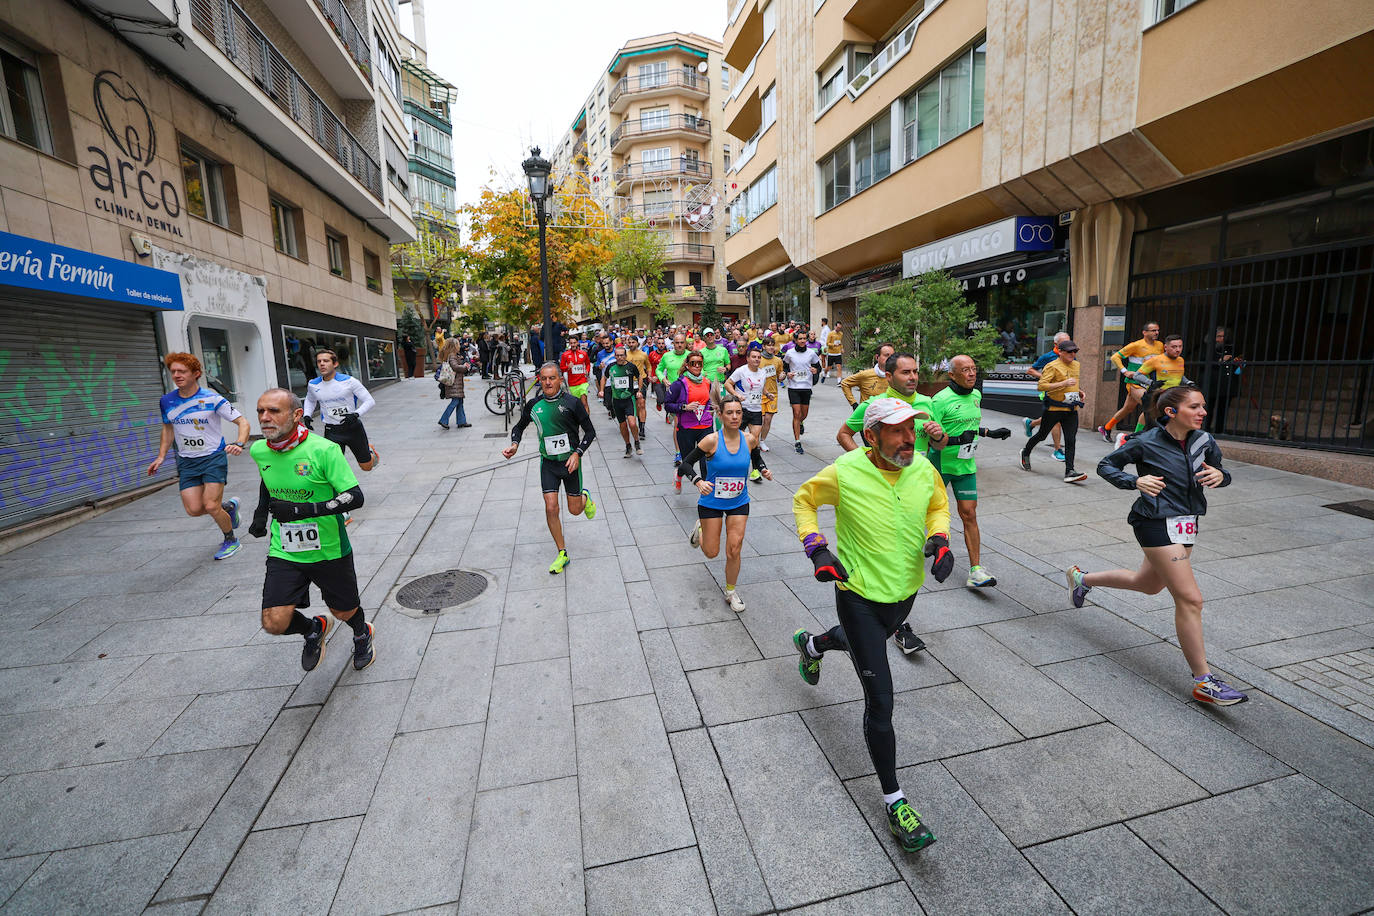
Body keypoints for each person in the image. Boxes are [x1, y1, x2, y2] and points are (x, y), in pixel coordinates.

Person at [791, 398, 952, 853]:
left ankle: (814, 645)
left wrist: (939, 538)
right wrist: (817, 548)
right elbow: (804, 500)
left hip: (904, 592)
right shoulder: (845, 471)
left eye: (912, 430)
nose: (909, 439)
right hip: (858, 594)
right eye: (898, 431)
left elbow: (939, 505)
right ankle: (895, 802)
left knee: (870, 646)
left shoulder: (923, 468)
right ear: (871, 436)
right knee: (880, 701)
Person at [1068, 385, 1246, 706]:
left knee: (1147, 585)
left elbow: (1222, 470)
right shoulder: (1145, 442)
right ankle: (1204, 681)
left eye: (1203, 406)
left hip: (1186, 522)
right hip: (1154, 522)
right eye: (1195, 407)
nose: (1203, 412)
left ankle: (1082, 579)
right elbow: (1106, 466)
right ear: (1171, 412)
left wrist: (1221, 475)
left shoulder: (1205, 441)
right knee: (1190, 599)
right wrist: (1134, 481)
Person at [248, 388, 373, 672]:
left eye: (274, 411)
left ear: (295, 415)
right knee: (273, 622)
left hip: (328, 548)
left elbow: (355, 497)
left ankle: (361, 631)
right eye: (260, 411)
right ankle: (313, 629)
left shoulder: (323, 450)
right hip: (285, 549)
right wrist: (260, 513)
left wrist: (302, 511)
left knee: (343, 610)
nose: (265, 418)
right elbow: (269, 478)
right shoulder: (258, 449)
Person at [837, 352, 948, 655]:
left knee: (910, 557)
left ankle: (825, 641)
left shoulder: (926, 404)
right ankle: (898, 627)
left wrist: (939, 436)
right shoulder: (873, 406)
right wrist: (866, 463)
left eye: (915, 371)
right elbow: (844, 434)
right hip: (884, 492)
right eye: (905, 373)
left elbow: (940, 444)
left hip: (919, 488)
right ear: (889, 377)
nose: (913, 377)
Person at [148, 352, 251, 560]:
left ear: (196, 374)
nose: (176, 375)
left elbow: (243, 422)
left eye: (182, 371)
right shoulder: (167, 401)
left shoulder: (212, 398)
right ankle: (228, 507)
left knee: (210, 505)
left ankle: (231, 540)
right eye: (173, 371)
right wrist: (161, 456)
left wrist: (239, 443)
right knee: (194, 509)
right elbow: (168, 429)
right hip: (187, 461)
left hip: (213, 457)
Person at [678, 395, 773, 612]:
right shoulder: (711, 440)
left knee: (734, 548)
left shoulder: (749, 439)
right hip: (711, 501)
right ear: (720, 415)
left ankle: (731, 592)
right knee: (711, 552)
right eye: (729, 412)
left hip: (739, 501)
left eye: (738, 412)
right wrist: (698, 481)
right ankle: (700, 530)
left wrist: (763, 468)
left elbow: (755, 457)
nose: (734, 416)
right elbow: (685, 464)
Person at [503, 363, 598, 574]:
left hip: (570, 463)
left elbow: (590, 432)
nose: (548, 382)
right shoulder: (534, 405)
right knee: (551, 507)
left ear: (560, 380)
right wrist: (515, 444)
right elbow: (519, 427)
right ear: (539, 380)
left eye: (552, 378)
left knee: (574, 510)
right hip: (548, 464)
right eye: (544, 378)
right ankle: (562, 552)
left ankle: (585, 497)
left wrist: (577, 453)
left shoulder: (572, 403)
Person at [928, 356, 1011, 588]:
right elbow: (931, 441)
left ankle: (976, 571)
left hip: (965, 466)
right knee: (924, 509)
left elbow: (968, 425)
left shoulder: (976, 395)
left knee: (969, 514)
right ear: (952, 375)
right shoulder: (940, 401)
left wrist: (988, 432)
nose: (972, 374)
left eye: (974, 369)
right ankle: (920, 544)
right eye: (965, 370)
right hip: (940, 465)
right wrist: (955, 439)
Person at [1021, 339, 1087, 483]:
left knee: (1071, 440)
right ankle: (1025, 452)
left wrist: (1080, 392)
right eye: (1069, 351)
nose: (1073, 354)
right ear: (1061, 352)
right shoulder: (1052, 366)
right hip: (1054, 408)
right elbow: (1042, 386)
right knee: (1042, 435)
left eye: (1075, 351)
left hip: (1071, 408)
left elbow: (1073, 384)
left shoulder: (1076, 365)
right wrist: (1063, 383)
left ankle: (1070, 471)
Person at [303, 349, 380, 472]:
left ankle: (369, 451)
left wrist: (356, 414)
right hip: (331, 430)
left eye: (326, 361)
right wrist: (307, 415)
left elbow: (369, 401)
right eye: (319, 361)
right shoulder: (313, 384)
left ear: (335, 364)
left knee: (366, 467)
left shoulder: (349, 381)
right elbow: (310, 400)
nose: (322, 364)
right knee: (332, 467)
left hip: (353, 428)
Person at [1100, 321, 1163, 440]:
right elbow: (1115, 357)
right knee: (1149, 405)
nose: (1156, 332)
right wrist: (1125, 371)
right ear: (1144, 332)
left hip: (1150, 383)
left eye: (1157, 330)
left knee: (1128, 408)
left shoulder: (1160, 345)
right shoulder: (1136, 345)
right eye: (1153, 330)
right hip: (1135, 383)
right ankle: (1135, 437)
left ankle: (1106, 427)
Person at [665, 351, 717, 494]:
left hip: (705, 425)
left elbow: (708, 402)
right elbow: (667, 404)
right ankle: (679, 474)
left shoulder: (707, 382)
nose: (697, 366)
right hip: (687, 427)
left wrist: (713, 406)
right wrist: (684, 407)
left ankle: (707, 495)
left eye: (700, 363)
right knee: (688, 462)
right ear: (687, 365)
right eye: (693, 363)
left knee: (706, 461)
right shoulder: (679, 384)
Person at [1024, 331, 1070, 461]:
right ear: (1056, 344)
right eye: (1064, 342)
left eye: (1069, 341)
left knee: (1051, 418)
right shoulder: (1048, 357)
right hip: (1050, 392)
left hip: (1066, 392)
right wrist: (1047, 378)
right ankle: (1057, 450)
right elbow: (1030, 370)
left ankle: (1031, 423)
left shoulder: (1071, 355)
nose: (1068, 344)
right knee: (1056, 420)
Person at [725, 343, 768, 479]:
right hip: (741, 410)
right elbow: (727, 384)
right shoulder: (741, 371)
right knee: (736, 439)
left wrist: (768, 393)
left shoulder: (763, 372)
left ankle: (755, 470)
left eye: (759, 357)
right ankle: (733, 464)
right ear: (748, 359)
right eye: (754, 357)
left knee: (754, 440)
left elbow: (761, 388)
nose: (757, 359)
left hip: (756, 410)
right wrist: (737, 395)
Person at [600, 346, 644, 457]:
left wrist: (639, 390)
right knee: (623, 425)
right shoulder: (611, 367)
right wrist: (601, 390)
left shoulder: (631, 366)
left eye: (621, 355)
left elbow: (640, 377)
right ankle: (628, 446)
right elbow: (603, 378)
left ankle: (636, 442)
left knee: (632, 423)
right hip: (616, 401)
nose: (619, 358)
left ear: (625, 356)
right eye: (617, 355)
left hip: (629, 399)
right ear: (615, 356)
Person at [783, 336, 823, 453]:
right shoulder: (790, 353)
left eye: (804, 339)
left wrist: (816, 370)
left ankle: (801, 422)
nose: (802, 341)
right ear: (795, 340)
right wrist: (787, 373)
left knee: (803, 414)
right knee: (797, 413)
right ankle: (797, 442)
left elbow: (818, 366)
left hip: (806, 387)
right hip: (793, 387)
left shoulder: (811, 353)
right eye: (800, 339)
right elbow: (784, 366)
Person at [1200, 326, 1242, 434]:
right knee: (1208, 409)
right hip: (1212, 384)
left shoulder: (1231, 348)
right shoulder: (1207, 348)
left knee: (1223, 410)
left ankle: (1220, 431)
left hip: (1227, 384)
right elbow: (1206, 363)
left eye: (1223, 336)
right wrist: (1222, 360)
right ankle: (1205, 430)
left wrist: (1239, 364)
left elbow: (1238, 369)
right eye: (1218, 336)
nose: (1221, 339)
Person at [840, 343, 895, 408]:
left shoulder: (896, 376)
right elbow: (845, 383)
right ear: (877, 357)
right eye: (886, 355)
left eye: (892, 356)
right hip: (868, 415)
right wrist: (854, 404)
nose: (890, 358)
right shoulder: (865, 375)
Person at [437, 338, 470, 429]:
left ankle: (461, 421)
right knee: (455, 401)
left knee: (460, 401)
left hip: (456, 383)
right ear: (454, 346)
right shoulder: (452, 355)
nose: (459, 346)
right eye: (458, 344)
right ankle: (443, 420)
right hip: (454, 383)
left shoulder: (453, 355)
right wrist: (465, 367)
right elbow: (455, 367)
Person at [625, 335, 652, 437]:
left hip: (641, 381)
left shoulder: (643, 354)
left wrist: (649, 375)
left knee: (641, 404)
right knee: (633, 405)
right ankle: (636, 421)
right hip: (629, 382)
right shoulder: (625, 354)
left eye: (633, 342)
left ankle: (642, 428)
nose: (631, 344)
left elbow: (648, 366)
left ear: (637, 343)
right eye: (630, 342)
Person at [559, 335, 593, 414]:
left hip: (583, 382)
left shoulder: (583, 353)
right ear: (569, 344)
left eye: (574, 342)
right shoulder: (565, 355)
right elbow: (561, 368)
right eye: (571, 343)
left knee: (584, 402)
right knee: (577, 405)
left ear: (578, 342)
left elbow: (588, 364)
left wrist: (587, 371)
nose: (573, 345)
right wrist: (568, 367)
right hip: (573, 384)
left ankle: (587, 422)